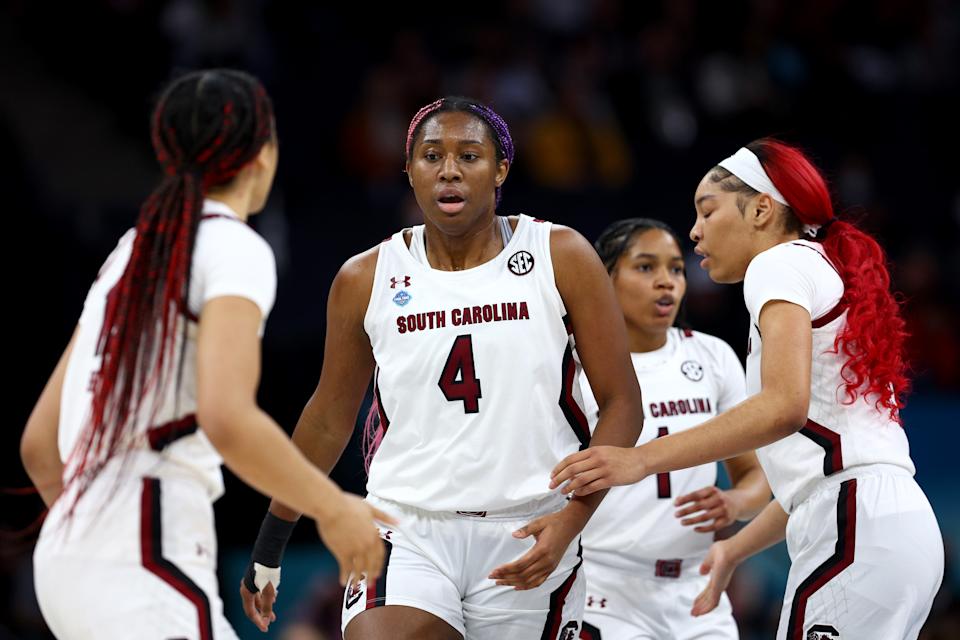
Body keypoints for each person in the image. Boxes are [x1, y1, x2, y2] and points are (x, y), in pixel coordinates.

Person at [240, 96, 645, 640]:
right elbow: (328, 417)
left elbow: (623, 405)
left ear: (501, 168)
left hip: (531, 526)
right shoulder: (365, 277)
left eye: (469, 156)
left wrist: (573, 518)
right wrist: (271, 541)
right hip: (407, 528)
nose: (449, 170)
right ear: (409, 172)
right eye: (431, 156)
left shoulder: (561, 254)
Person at [20, 69, 390, 640]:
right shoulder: (233, 245)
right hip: (147, 553)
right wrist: (334, 509)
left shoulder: (129, 253)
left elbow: (41, 446)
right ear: (264, 153)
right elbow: (227, 417)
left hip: (66, 561)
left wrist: (95, 540)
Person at [552, 139, 944, 640]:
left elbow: (783, 409)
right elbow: (817, 475)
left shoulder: (776, 264)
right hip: (886, 527)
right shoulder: (817, 264)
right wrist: (733, 549)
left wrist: (640, 459)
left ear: (761, 209)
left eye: (707, 211)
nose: (694, 231)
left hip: (856, 527)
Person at [577, 218, 770, 640]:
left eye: (676, 269)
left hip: (695, 587)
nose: (666, 282)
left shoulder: (714, 356)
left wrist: (735, 503)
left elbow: (756, 477)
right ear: (603, 278)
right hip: (602, 585)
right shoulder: (572, 366)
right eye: (646, 267)